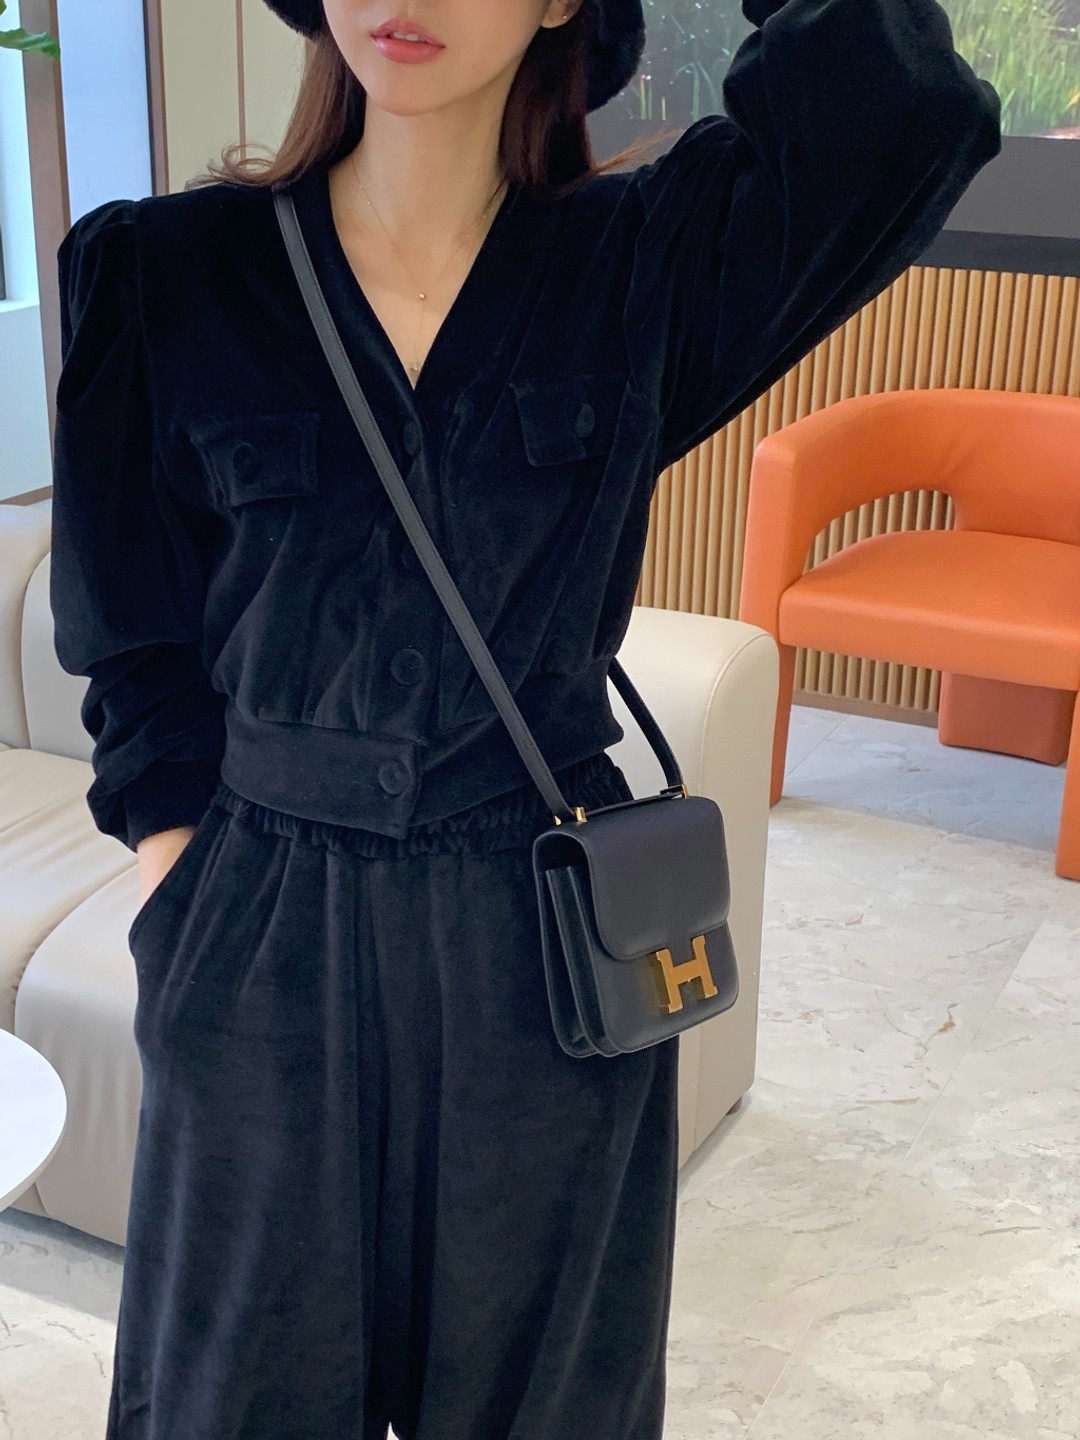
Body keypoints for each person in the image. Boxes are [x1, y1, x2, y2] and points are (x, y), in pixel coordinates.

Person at [49, 1, 1000, 1436]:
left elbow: (900, 113)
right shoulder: (167, 273)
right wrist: (179, 886)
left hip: (541, 940)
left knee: (548, 1406)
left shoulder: (637, 265)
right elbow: (134, 636)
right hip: (262, 931)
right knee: (229, 1402)